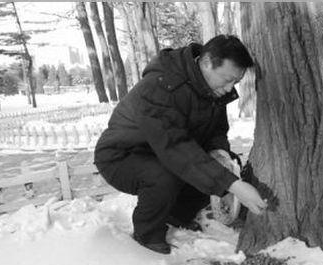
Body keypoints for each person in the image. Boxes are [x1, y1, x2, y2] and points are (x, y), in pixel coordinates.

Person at [94, 35, 267, 254]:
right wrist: (233, 185)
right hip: (121, 155)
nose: (230, 88)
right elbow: (176, 148)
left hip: (162, 153)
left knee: (211, 168)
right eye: (227, 79)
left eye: (236, 82)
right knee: (165, 176)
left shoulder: (211, 88)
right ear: (206, 63)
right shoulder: (161, 87)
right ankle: (146, 236)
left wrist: (221, 155)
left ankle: (176, 216)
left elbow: (215, 131)